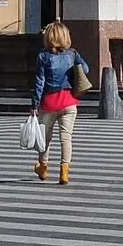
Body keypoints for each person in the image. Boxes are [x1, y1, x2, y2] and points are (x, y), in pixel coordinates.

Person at [31, 21, 89, 185]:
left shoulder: (43, 56)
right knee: (66, 139)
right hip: (69, 102)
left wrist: (34, 105)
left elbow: (39, 83)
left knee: (45, 139)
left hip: (49, 103)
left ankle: (43, 167)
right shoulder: (72, 54)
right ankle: (64, 172)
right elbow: (85, 69)